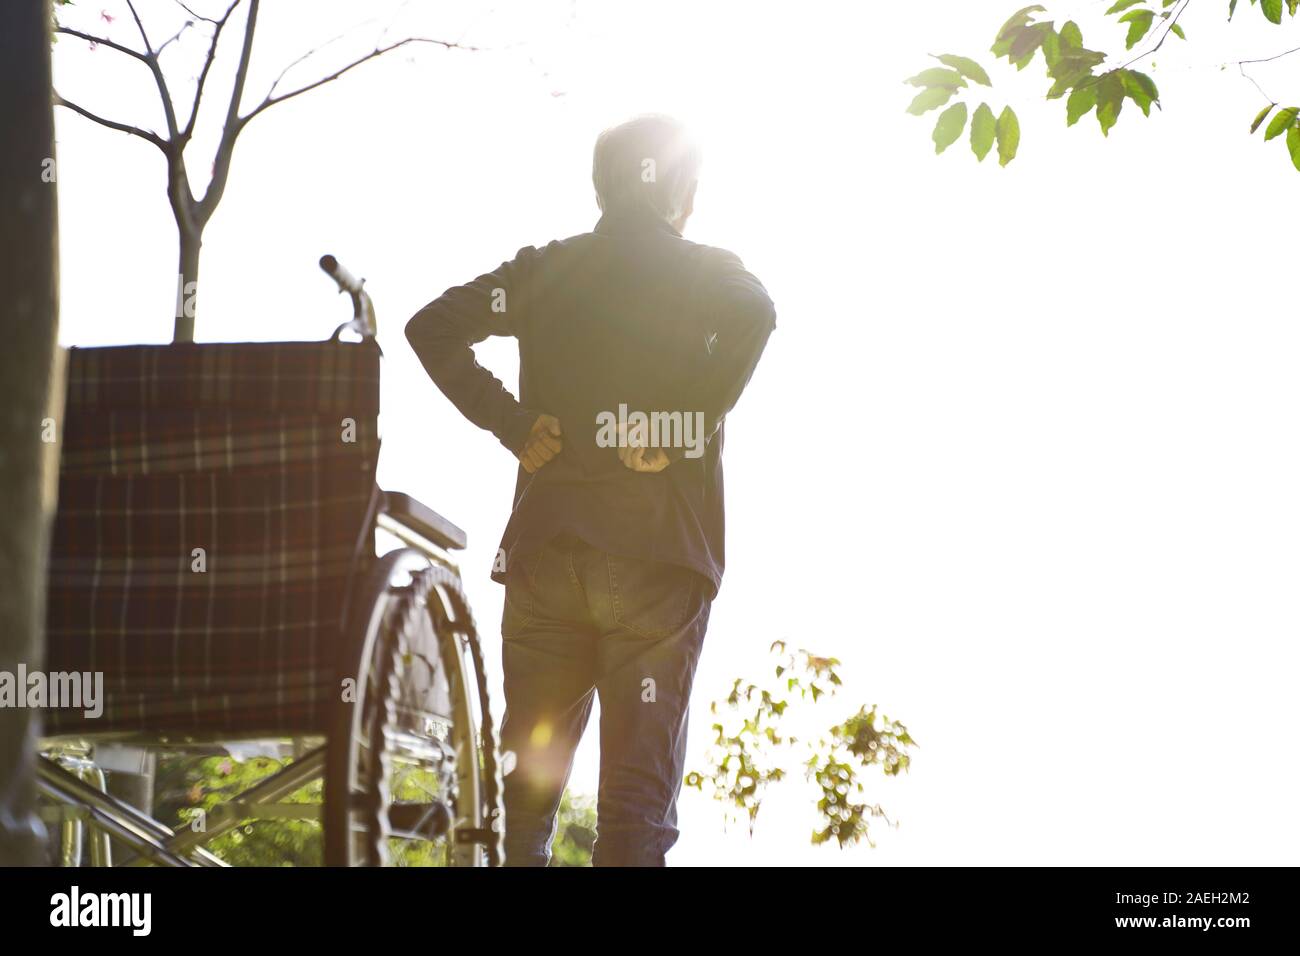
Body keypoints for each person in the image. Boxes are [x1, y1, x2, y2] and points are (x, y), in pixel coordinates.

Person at [405, 114, 775, 866]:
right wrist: (678, 426)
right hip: (656, 566)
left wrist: (509, 420)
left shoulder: (548, 270)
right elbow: (756, 314)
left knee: (523, 807)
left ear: (602, 188)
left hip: (550, 556)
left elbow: (431, 326)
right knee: (636, 811)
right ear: (686, 195)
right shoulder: (709, 272)